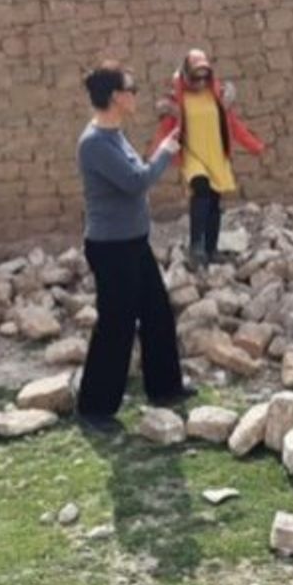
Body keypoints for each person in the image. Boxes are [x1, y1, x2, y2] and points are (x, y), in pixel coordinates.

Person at [75, 61, 195, 434]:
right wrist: (165, 151)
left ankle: (165, 388)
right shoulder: (94, 143)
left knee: (157, 312)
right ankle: (94, 408)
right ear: (115, 96)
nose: (136, 95)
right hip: (111, 248)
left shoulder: (114, 134)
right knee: (116, 325)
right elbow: (135, 181)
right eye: (132, 88)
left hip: (133, 243)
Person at [152, 49, 265, 268]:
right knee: (201, 188)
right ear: (187, 74)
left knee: (213, 202)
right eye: (197, 76)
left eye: (205, 76)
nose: (201, 81)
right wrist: (156, 157)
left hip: (215, 155)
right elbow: (165, 131)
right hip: (193, 155)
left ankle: (211, 250)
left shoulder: (217, 97)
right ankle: (196, 247)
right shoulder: (176, 101)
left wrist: (254, 146)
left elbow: (234, 126)